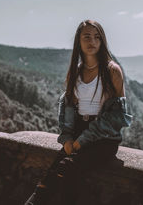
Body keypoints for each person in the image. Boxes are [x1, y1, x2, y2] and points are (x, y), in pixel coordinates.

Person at [24, 19, 133, 205]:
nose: (93, 42)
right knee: (48, 180)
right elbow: (67, 108)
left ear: (102, 41)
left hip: (103, 138)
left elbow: (117, 116)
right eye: (87, 37)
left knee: (68, 168)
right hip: (77, 134)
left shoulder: (112, 71)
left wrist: (83, 140)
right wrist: (67, 137)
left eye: (97, 37)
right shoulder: (76, 72)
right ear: (79, 41)